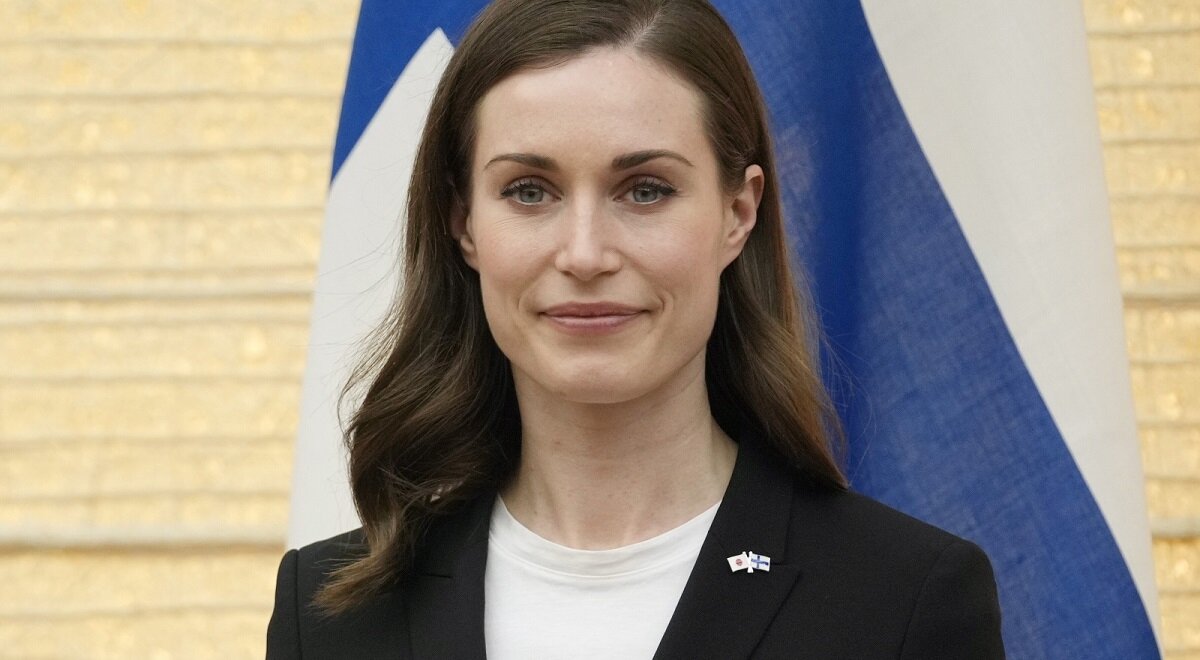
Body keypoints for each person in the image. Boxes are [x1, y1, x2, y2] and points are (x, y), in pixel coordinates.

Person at [266, 0, 1005, 657]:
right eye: (529, 192)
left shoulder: (905, 601)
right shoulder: (329, 614)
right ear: (463, 223)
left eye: (645, 190)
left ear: (738, 213)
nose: (585, 253)